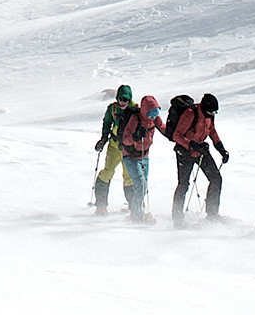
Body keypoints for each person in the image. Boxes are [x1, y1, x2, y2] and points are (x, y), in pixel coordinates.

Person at [170, 93, 231, 227]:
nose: (213, 114)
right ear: (204, 108)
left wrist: (221, 149)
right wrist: (193, 145)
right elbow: (177, 135)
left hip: (200, 151)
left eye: (215, 112)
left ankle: (212, 214)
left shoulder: (209, 116)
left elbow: (212, 131)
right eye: (211, 111)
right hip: (185, 153)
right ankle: (177, 219)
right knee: (183, 185)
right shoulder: (190, 113)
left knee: (216, 178)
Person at [118, 95, 168, 224]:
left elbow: (163, 128)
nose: (153, 116)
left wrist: (177, 137)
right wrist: (135, 136)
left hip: (144, 156)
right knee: (140, 185)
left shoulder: (155, 119)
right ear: (145, 111)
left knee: (143, 186)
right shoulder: (135, 119)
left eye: (155, 113)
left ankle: (137, 210)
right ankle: (136, 216)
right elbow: (125, 139)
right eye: (151, 114)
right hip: (130, 157)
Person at [92, 85, 136, 215]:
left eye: (125, 99)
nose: (122, 102)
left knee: (129, 176)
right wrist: (103, 139)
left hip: (130, 147)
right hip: (115, 145)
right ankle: (101, 206)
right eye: (120, 99)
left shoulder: (135, 109)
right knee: (107, 172)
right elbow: (107, 124)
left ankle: (134, 205)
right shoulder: (112, 109)